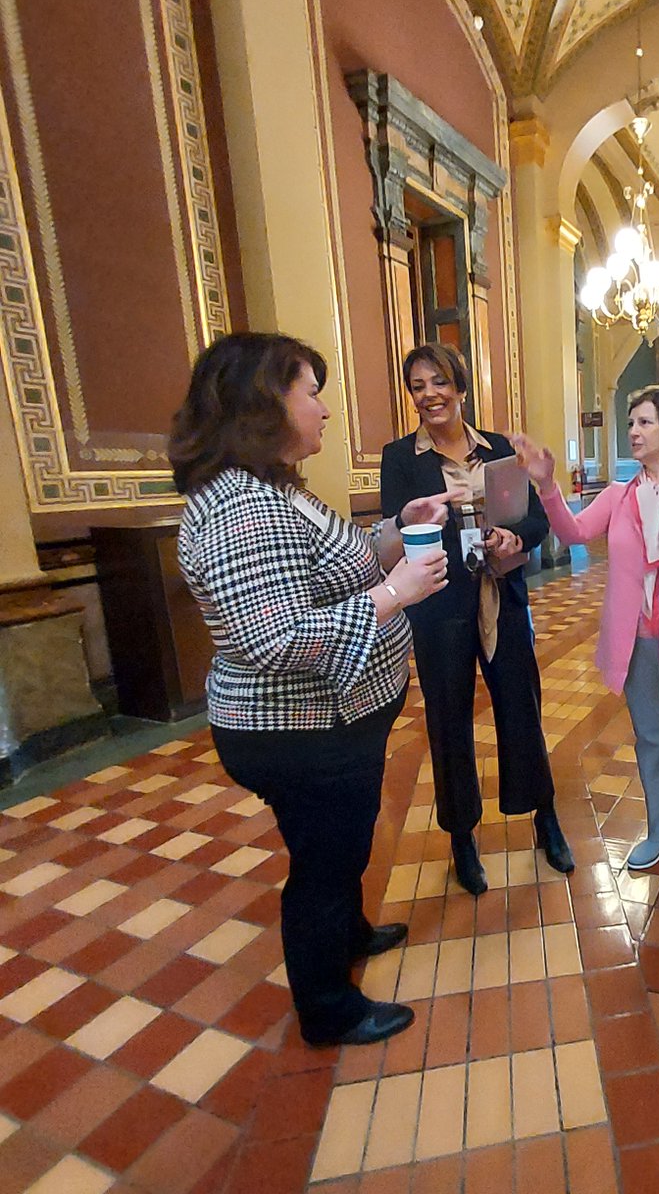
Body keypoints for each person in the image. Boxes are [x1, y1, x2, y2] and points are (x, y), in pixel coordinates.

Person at [169, 332, 450, 1048]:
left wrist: (397, 529)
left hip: (327, 721)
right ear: (263, 404)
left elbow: (331, 564)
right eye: (312, 393)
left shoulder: (271, 488)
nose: (325, 410)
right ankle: (328, 1008)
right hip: (298, 731)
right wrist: (396, 592)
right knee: (325, 864)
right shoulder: (242, 508)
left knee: (336, 846)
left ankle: (348, 934)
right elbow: (277, 638)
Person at [511, 385, 659, 913]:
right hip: (637, 643)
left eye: (645, 423)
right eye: (631, 422)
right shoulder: (620, 496)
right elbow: (573, 533)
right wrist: (546, 484)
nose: (634, 431)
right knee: (651, 742)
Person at [379, 343, 573, 897]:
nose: (429, 395)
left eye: (439, 382)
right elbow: (396, 537)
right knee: (448, 722)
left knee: (522, 708)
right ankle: (461, 836)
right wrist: (412, 525)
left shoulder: (498, 451)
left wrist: (513, 537)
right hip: (440, 608)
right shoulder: (400, 458)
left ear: (461, 388)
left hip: (501, 599)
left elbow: (535, 522)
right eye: (418, 386)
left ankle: (544, 816)